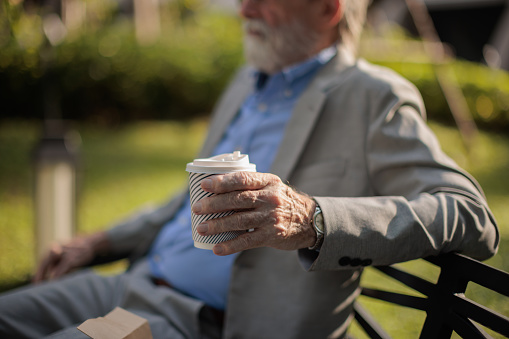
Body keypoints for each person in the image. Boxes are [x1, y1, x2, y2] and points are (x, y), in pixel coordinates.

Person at [0, 0, 499, 338]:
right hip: (130, 282)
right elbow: (187, 201)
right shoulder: (246, 81)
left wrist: (312, 218)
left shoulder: (373, 97)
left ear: (328, 7)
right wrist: (99, 242)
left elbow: (470, 213)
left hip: (200, 321)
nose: (244, 7)